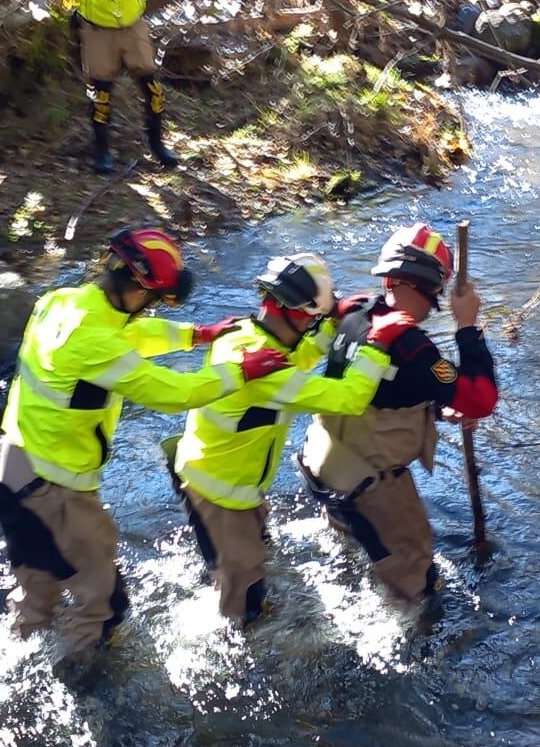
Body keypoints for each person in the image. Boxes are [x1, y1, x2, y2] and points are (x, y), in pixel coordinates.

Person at [0, 227, 286, 672]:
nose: (153, 307)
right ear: (137, 287)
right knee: (104, 605)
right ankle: (88, 691)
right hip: (57, 487)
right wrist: (241, 372)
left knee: (38, 581)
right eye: (154, 298)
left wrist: (195, 335)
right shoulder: (97, 343)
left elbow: (131, 335)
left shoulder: (62, 302)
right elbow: (174, 392)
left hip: (12, 465)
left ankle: (20, 652)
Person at [166, 253, 388, 628]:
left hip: (208, 478)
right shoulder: (264, 372)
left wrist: (333, 324)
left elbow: (296, 354)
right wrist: (376, 347)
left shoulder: (245, 335)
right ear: (300, 312)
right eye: (316, 316)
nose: (316, 322)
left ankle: (223, 574)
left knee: (236, 566)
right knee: (244, 611)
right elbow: (349, 397)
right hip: (223, 499)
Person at [298, 223, 498, 615]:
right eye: (437, 294)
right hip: (371, 487)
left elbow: (380, 388)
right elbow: (481, 399)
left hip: (324, 466)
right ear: (425, 286)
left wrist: (440, 407)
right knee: (418, 585)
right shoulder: (411, 345)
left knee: (349, 553)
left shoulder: (354, 311)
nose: (435, 304)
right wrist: (468, 328)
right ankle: (416, 648)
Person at [56, 0, 176, 174]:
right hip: (98, 31)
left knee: (152, 88)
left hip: (133, 27)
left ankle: (158, 146)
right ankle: (103, 153)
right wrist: (86, 10)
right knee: (101, 94)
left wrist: (130, 2)